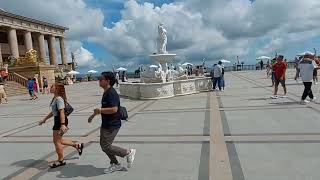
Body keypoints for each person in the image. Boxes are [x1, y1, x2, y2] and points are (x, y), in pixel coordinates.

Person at [88, 72, 136, 174]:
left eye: (101, 79)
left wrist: (100, 110)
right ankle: (115, 164)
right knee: (104, 145)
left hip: (112, 124)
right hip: (106, 123)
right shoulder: (106, 92)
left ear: (108, 81)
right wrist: (93, 115)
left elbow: (114, 109)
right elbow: (104, 109)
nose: (99, 80)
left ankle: (128, 152)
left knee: (106, 146)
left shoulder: (111, 93)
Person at [39, 83, 84, 168]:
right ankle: (77, 145)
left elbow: (62, 112)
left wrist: (63, 125)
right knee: (58, 140)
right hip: (58, 120)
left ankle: (61, 160)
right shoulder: (55, 98)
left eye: (52, 86)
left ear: (57, 89)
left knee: (56, 141)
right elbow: (54, 112)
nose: (50, 87)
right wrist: (44, 119)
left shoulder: (59, 99)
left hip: (60, 121)